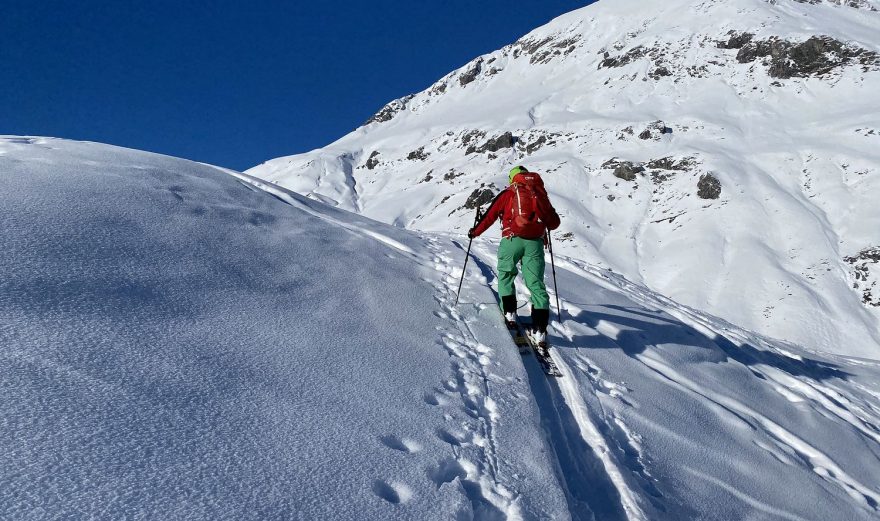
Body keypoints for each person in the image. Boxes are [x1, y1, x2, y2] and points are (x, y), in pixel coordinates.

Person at [468, 166, 561, 346]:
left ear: (513, 178)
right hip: (535, 242)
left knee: (506, 275)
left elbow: (490, 216)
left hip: (511, 240)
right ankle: (540, 330)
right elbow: (554, 222)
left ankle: (510, 313)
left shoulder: (509, 193)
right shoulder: (539, 193)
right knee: (536, 283)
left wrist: (475, 232)